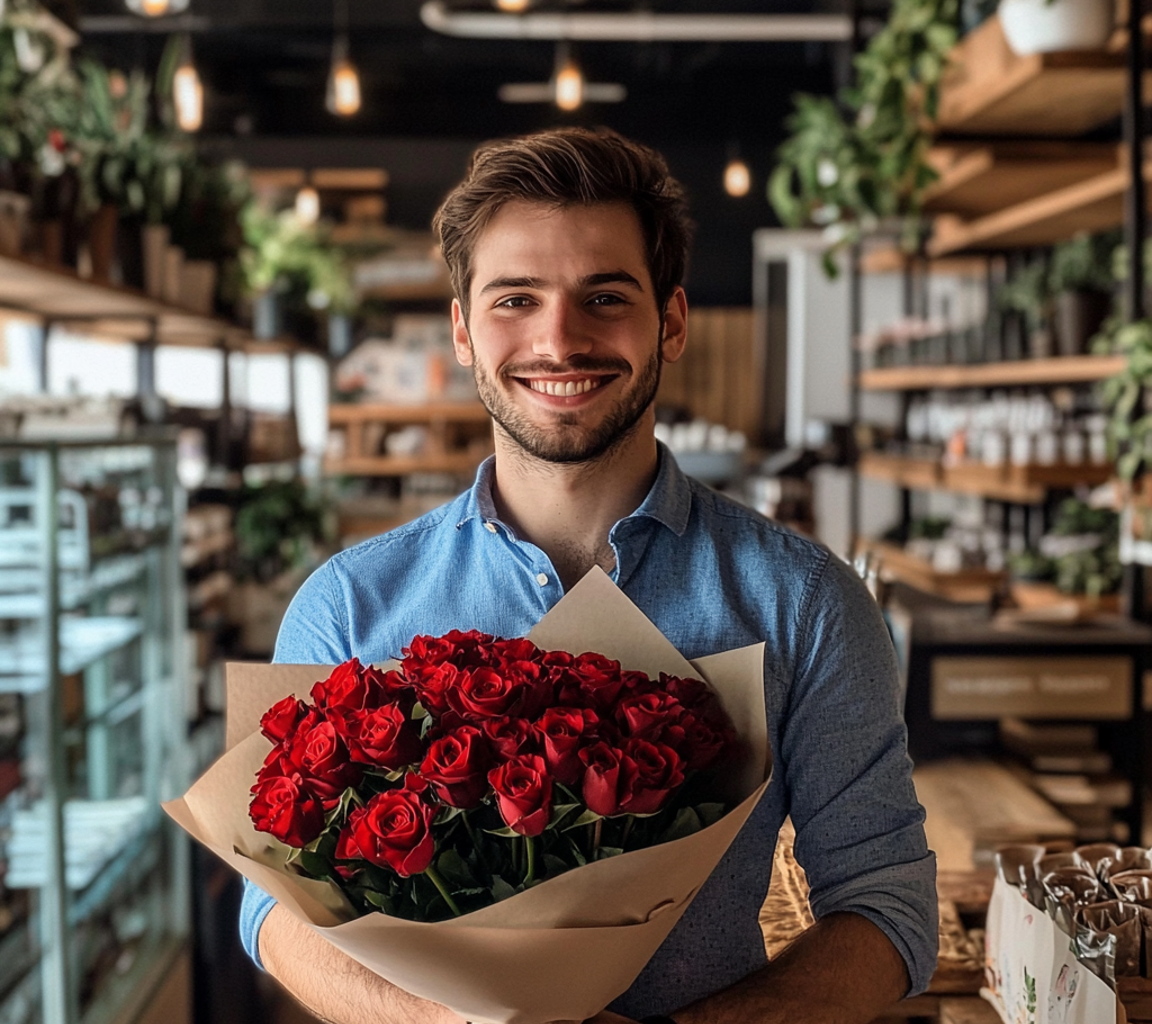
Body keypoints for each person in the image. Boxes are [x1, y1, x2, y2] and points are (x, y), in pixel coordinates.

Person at [241, 126, 937, 1024]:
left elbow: (886, 905)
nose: (559, 339)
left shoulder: (803, 600)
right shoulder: (346, 604)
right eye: (514, 299)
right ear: (462, 330)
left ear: (672, 322)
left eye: (604, 296)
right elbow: (274, 908)